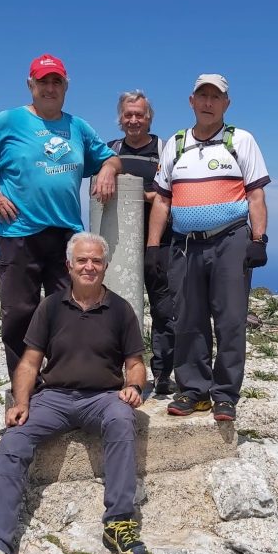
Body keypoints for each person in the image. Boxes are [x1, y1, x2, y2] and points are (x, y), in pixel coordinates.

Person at [0, 232, 150, 554]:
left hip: (103, 398)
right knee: (14, 439)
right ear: (69, 265)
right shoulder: (50, 306)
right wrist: (21, 403)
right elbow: (30, 362)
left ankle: (119, 522)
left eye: (96, 261)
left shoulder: (121, 310)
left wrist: (133, 387)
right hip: (55, 398)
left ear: (105, 266)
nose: (89, 266)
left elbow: (135, 365)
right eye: (82, 260)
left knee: (123, 419)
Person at [0, 54, 122, 380]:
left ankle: (61, 380)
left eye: (57, 81)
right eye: (44, 81)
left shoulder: (77, 126)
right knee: (19, 313)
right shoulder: (9, 121)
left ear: (66, 86)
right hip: (19, 232)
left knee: (67, 311)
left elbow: (110, 159)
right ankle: (23, 385)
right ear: (31, 85)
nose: (50, 88)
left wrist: (108, 171)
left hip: (66, 234)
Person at [146, 74, 271, 422]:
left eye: (215, 97)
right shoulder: (176, 143)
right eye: (202, 96)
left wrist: (258, 240)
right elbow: (162, 199)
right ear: (191, 101)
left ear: (226, 104)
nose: (208, 103)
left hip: (230, 238)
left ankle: (226, 394)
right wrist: (153, 247)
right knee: (188, 319)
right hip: (185, 244)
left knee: (230, 320)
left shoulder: (240, 140)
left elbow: (256, 194)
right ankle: (193, 391)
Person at [107, 90, 176, 396]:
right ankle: (114, 370)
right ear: (120, 118)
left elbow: (175, 193)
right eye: (128, 114)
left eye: (140, 114)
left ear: (150, 118)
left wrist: (143, 195)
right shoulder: (109, 151)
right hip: (118, 244)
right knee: (113, 310)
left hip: (159, 243)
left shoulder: (165, 149)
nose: (134, 120)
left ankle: (162, 373)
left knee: (164, 309)